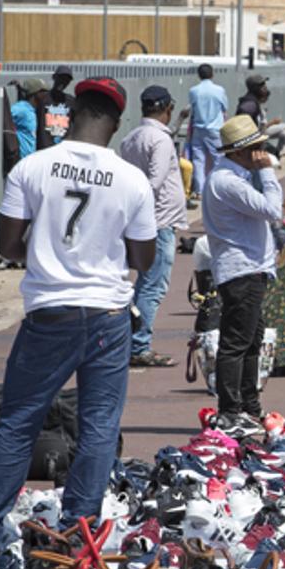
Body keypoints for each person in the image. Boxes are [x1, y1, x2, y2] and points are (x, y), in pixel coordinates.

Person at [0, 77, 157, 563]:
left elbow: (6, 245)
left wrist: (46, 249)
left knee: (19, 420)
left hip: (49, 312)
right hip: (108, 316)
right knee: (98, 424)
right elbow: (144, 259)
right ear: (115, 123)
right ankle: (77, 530)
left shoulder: (32, 168)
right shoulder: (131, 178)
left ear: (70, 115)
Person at [202, 115, 282, 431]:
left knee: (250, 340)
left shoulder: (232, 176)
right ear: (238, 152)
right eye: (256, 148)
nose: (261, 153)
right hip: (242, 270)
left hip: (249, 268)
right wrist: (268, 172)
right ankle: (231, 409)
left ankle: (248, 404)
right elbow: (272, 210)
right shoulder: (228, 181)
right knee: (237, 342)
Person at [120, 85, 189, 368]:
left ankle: (129, 341)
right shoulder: (159, 141)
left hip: (140, 221)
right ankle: (138, 346)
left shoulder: (131, 138)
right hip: (158, 222)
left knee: (142, 286)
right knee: (152, 287)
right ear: (167, 108)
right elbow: (155, 181)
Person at [237, 74, 285, 168]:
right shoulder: (250, 105)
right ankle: (277, 154)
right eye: (262, 85)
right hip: (252, 149)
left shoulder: (255, 103)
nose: (265, 88)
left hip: (257, 147)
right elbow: (248, 125)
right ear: (255, 88)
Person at [188, 63, 228, 195]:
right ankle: (218, 187)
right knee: (219, 159)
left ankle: (200, 190)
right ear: (212, 74)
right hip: (215, 129)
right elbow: (224, 109)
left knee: (198, 160)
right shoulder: (219, 90)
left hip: (198, 128)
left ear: (199, 75)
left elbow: (192, 110)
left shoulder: (193, 91)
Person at [11, 77, 48, 160]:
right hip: (21, 161)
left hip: (30, 160)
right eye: (43, 91)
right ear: (35, 93)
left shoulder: (35, 110)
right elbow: (3, 116)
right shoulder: (21, 108)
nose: (46, 94)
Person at [38, 64, 74, 149]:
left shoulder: (71, 101)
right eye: (61, 78)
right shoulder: (43, 99)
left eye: (67, 80)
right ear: (54, 77)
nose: (63, 81)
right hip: (45, 148)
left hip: (64, 148)